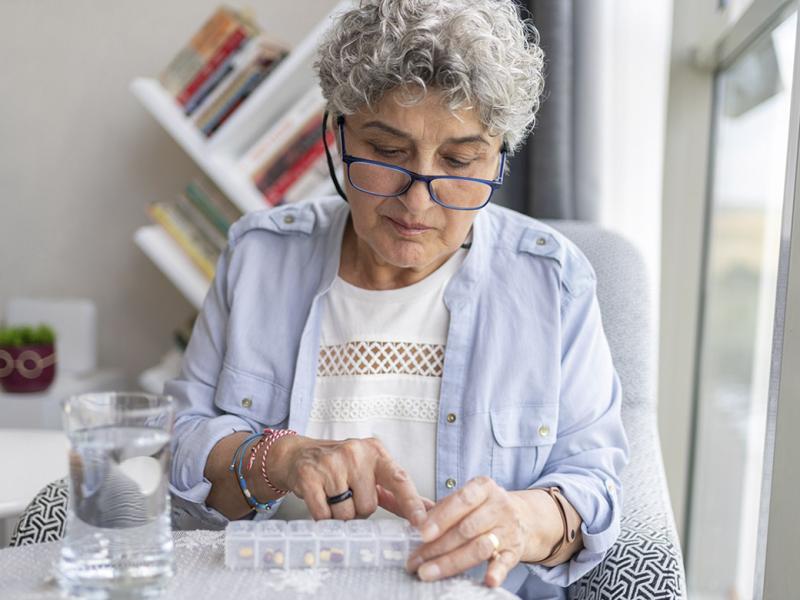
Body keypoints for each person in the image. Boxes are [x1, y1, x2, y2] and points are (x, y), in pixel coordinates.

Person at [165, 0, 628, 597]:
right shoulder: (260, 258)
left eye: (460, 161)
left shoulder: (552, 281)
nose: (417, 202)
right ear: (339, 134)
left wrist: (522, 520)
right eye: (387, 153)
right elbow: (178, 447)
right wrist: (279, 458)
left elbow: (595, 485)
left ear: (499, 156)